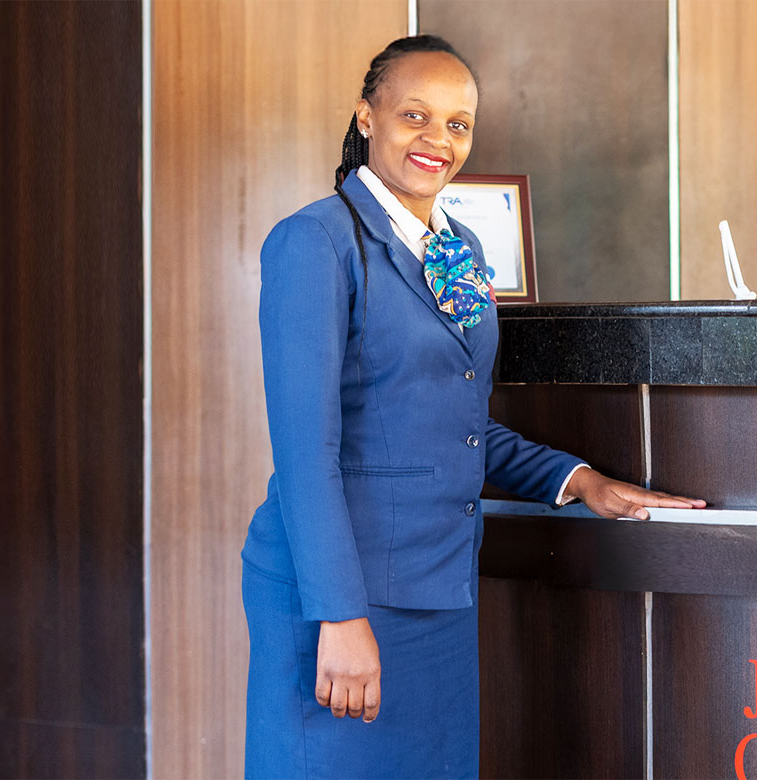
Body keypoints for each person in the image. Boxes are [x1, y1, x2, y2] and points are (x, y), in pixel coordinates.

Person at [240, 35, 703, 778]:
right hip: (339, 591)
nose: (438, 139)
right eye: (415, 115)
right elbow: (304, 455)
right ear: (366, 116)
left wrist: (580, 481)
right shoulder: (314, 243)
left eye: (458, 124)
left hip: (439, 587)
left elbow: (456, 423)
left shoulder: (460, 249)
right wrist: (340, 616)